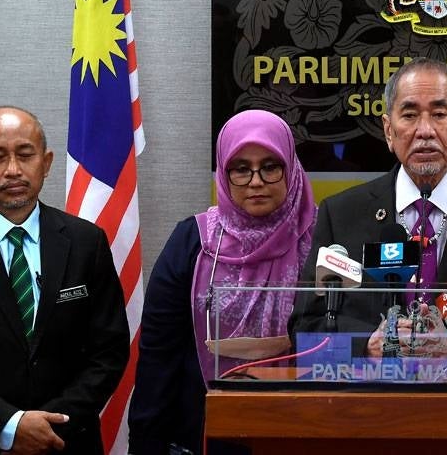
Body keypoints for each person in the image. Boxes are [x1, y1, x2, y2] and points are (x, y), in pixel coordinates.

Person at [290, 57, 447, 358]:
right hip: (366, 399)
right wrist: (365, 345)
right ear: (388, 130)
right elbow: (305, 328)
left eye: (439, 113)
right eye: (409, 115)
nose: (425, 130)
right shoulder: (340, 215)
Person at [128, 110, 316, 455]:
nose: (255, 181)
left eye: (271, 165)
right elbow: (159, 356)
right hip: (206, 433)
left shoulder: (322, 239)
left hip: (308, 428)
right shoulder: (193, 241)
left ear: (291, 166)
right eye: (241, 168)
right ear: (224, 174)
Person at [0, 106, 129, 454]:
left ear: (46, 163)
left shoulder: (85, 242)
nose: (14, 170)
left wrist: (51, 424)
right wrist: (9, 425)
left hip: (67, 440)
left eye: (25, 155)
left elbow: (108, 351)